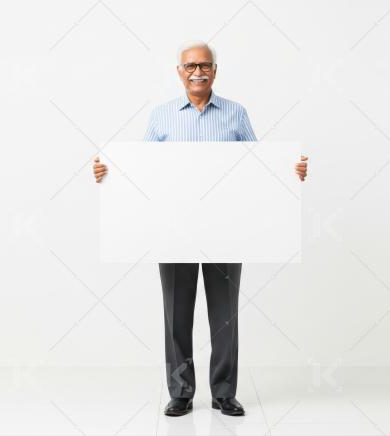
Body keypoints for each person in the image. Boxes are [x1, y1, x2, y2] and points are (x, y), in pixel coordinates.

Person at [93, 40, 308, 417]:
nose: (198, 72)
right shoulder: (161, 117)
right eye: (190, 66)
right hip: (173, 230)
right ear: (179, 71)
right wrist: (109, 174)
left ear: (215, 70)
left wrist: (290, 172)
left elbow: (258, 166)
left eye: (205, 65)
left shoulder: (236, 114)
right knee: (176, 314)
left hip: (225, 229)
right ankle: (181, 391)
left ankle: (225, 391)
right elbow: (143, 171)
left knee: (224, 314)